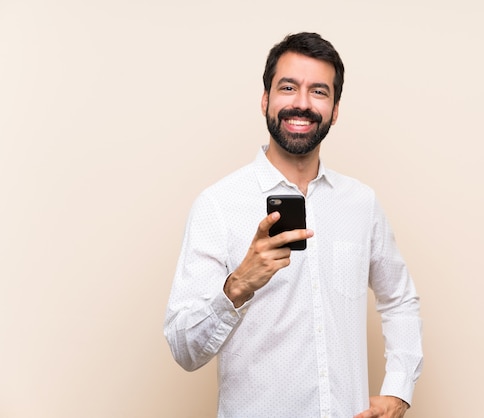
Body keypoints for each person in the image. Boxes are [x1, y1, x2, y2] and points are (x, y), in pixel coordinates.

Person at [164, 32, 423, 418]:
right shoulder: (217, 205)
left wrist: (399, 390)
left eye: (319, 91)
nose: (302, 103)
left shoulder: (360, 203)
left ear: (335, 109)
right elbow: (183, 349)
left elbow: (399, 299)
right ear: (265, 99)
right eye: (288, 87)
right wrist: (236, 287)